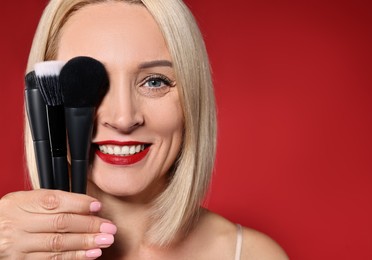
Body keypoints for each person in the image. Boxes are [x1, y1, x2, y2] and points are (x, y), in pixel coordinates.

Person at [0, 0, 289, 259]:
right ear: (45, 97)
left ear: (191, 99)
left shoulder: (251, 254)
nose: (124, 118)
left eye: (154, 81)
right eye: (94, 82)